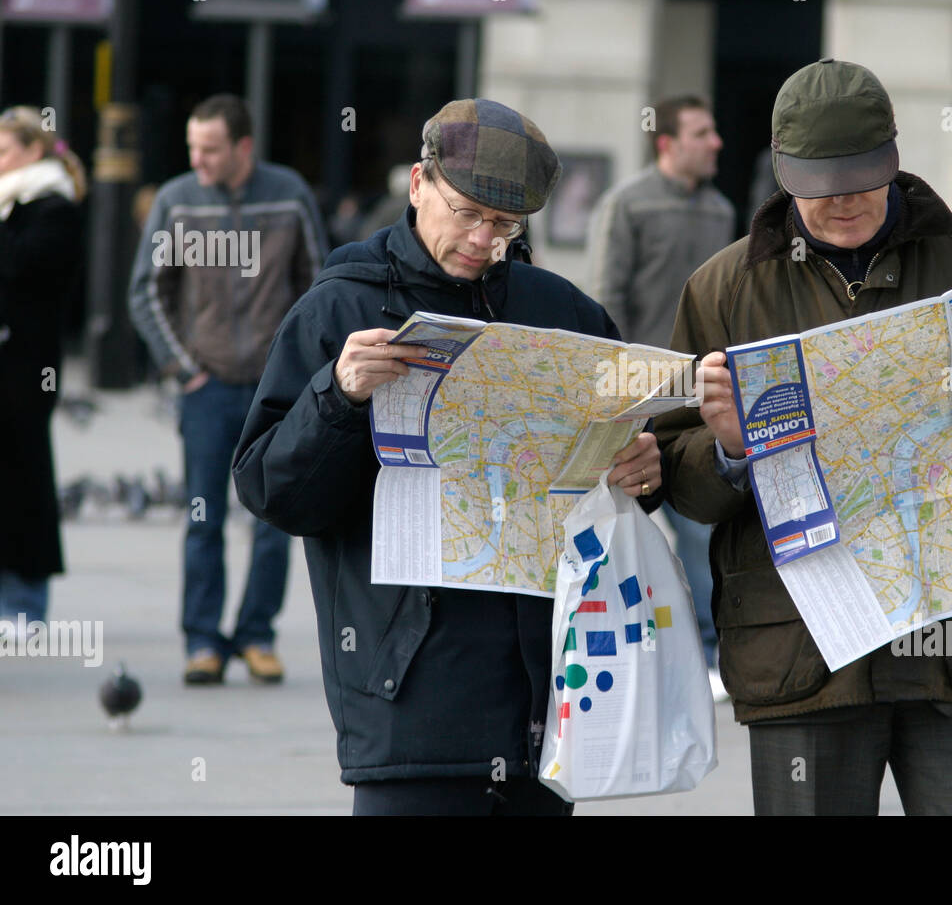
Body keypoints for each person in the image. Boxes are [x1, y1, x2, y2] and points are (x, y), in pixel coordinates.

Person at [654, 58, 952, 816]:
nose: (844, 202)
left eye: (861, 178)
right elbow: (676, 483)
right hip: (803, 657)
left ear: (893, 155)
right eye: (820, 187)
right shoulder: (723, 288)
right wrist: (728, 450)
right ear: (784, 174)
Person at [231, 98, 664, 816]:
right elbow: (273, 493)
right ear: (416, 185)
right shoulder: (340, 308)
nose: (481, 240)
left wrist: (646, 471)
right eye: (465, 212)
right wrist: (337, 397)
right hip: (408, 711)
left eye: (503, 225)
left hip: (543, 711)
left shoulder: (565, 314)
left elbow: (622, 475)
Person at [127, 94, 329, 685]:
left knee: (274, 520)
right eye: (193, 146)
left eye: (210, 148)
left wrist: (299, 370)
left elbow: (319, 287)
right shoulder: (177, 199)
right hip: (206, 387)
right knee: (202, 517)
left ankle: (257, 635)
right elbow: (146, 292)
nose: (199, 159)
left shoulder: (288, 193)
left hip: (275, 391)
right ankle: (201, 641)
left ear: (244, 147)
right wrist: (183, 367)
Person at [588, 94, 734, 696]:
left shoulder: (723, 211)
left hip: (701, 402)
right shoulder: (627, 203)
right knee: (619, 531)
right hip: (636, 403)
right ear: (667, 142)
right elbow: (605, 302)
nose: (717, 141)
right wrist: (616, 396)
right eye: (703, 132)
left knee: (703, 531)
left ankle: (708, 652)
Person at [0, 106, 87, 630]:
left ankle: (25, 602)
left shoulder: (52, 206)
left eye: (5, 150)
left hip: (27, 369)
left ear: (33, 150)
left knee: (24, 478)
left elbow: (24, 271)